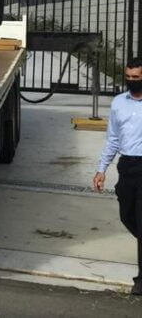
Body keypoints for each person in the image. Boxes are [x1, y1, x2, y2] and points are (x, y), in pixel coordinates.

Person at [93, 57, 142, 295]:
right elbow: (112, 138)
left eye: (137, 78)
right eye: (129, 77)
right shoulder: (118, 103)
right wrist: (102, 169)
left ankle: (141, 281)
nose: (132, 82)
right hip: (127, 166)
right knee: (127, 215)